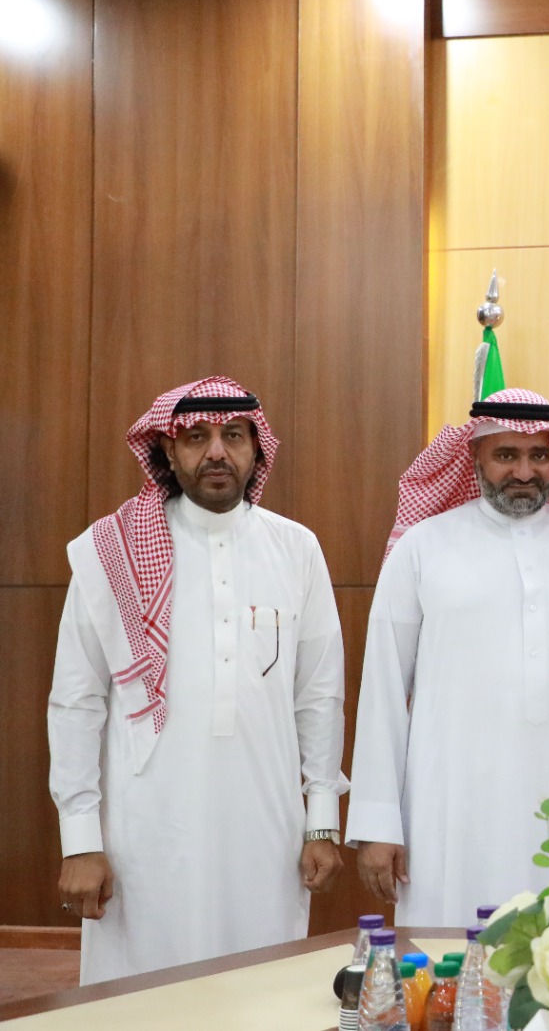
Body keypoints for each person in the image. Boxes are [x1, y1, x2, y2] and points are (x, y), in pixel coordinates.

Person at [48, 377, 346, 984]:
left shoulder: (296, 549)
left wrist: (321, 822)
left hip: (265, 830)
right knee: (143, 998)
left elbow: (319, 696)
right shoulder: (111, 554)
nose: (216, 452)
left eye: (233, 436)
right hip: (145, 831)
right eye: (195, 437)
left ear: (256, 449)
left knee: (260, 993)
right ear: (166, 450)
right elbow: (76, 702)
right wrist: (79, 839)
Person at [346, 388, 549, 925]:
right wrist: (378, 824)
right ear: (475, 456)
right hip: (450, 811)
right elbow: (381, 691)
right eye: (506, 455)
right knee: (450, 953)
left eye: (539, 455)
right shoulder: (422, 548)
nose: (524, 471)